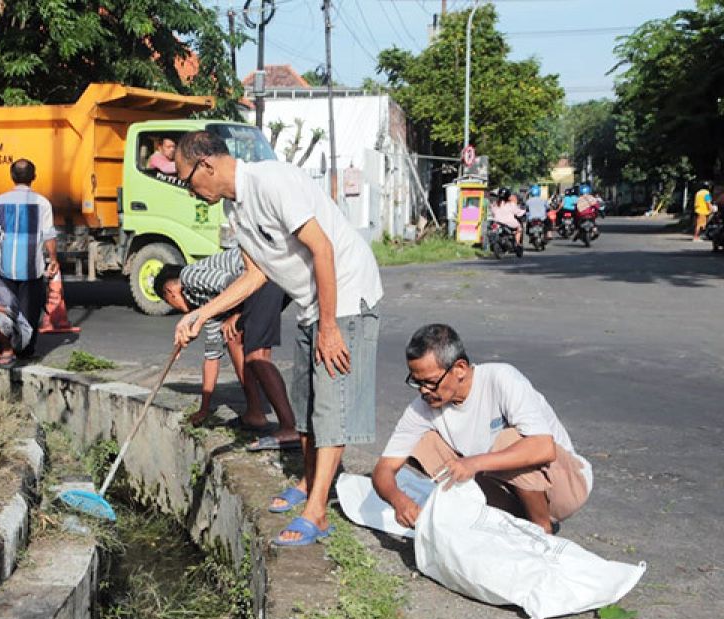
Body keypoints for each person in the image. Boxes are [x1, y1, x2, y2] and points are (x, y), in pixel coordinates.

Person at [171, 130, 384, 546]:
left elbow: (322, 249)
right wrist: (203, 313)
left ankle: (318, 511)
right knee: (305, 408)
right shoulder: (237, 210)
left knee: (331, 405)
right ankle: (308, 483)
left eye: (187, 180)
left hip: (346, 291)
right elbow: (255, 275)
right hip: (312, 300)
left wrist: (328, 326)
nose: (190, 191)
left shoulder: (273, 182)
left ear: (207, 164)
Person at [371, 324, 592, 535]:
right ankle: (506, 520)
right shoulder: (422, 408)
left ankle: (541, 530)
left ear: (459, 369)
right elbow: (383, 470)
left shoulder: (501, 379)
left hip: (564, 486)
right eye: (416, 383)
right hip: (507, 492)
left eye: (430, 382)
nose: (424, 391)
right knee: (425, 443)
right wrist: (398, 500)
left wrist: (474, 463)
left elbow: (543, 448)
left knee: (510, 440)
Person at [154, 252, 299, 450]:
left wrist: (238, 315)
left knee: (257, 355)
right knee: (233, 337)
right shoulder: (206, 303)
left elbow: (235, 282)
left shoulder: (189, 276)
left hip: (264, 272)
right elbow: (212, 355)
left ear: (169, 291)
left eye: (170, 303)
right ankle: (255, 413)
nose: (179, 310)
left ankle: (289, 427)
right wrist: (204, 409)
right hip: (264, 277)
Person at [0, 159, 58, 357]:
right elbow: (48, 234)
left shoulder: (0, 201)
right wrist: (53, 259)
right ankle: (26, 349)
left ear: (12, 176)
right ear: (34, 177)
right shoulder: (42, 203)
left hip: (6, 268)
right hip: (32, 269)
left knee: (7, 309)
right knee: (29, 313)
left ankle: (7, 346)